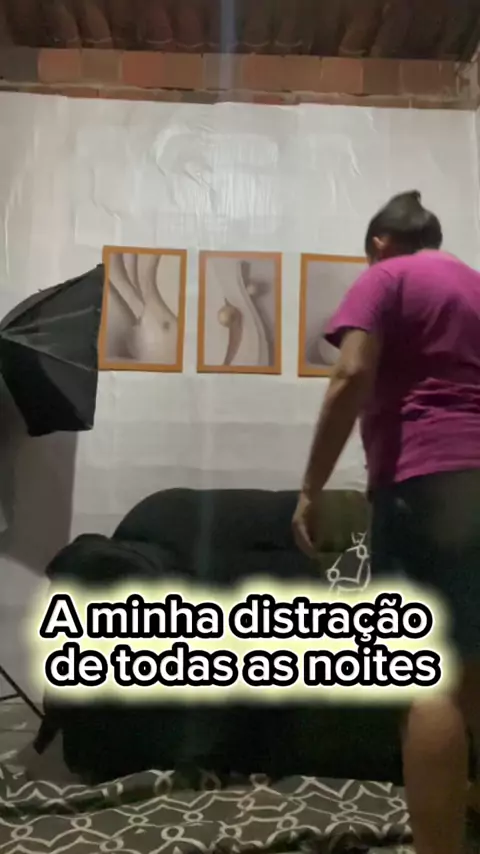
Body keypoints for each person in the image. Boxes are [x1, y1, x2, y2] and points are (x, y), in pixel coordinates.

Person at [293, 190, 480, 854]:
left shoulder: (386, 277)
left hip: (425, 481)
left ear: (378, 241)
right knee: (471, 666)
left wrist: (311, 488)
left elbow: (350, 375)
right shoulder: (474, 285)